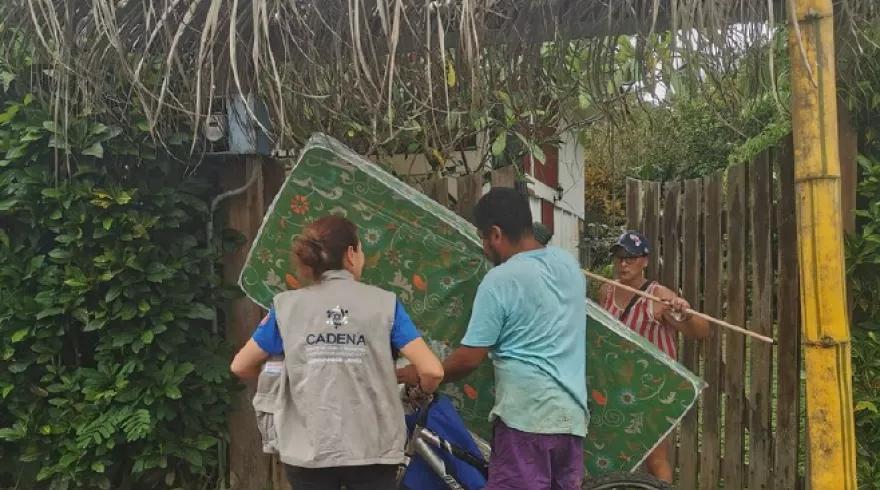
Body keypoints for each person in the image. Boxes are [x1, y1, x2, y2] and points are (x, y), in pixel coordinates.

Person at [231, 215, 444, 490]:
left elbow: (241, 366)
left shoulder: (286, 307)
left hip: (308, 448)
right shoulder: (385, 304)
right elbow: (432, 370)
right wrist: (421, 392)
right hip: (373, 449)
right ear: (351, 254)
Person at [398, 187, 589, 490]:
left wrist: (423, 372)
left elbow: (468, 359)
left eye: (483, 238)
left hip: (528, 420)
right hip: (572, 419)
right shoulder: (569, 266)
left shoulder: (499, 281)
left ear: (496, 234)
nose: (483, 247)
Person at [598, 230, 710, 483]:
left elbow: (702, 332)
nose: (623, 264)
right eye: (618, 258)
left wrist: (686, 314)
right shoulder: (606, 291)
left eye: (630, 257)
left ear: (644, 261)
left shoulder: (658, 297)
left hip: (653, 389)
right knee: (613, 454)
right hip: (616, 387)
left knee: (655, 458)